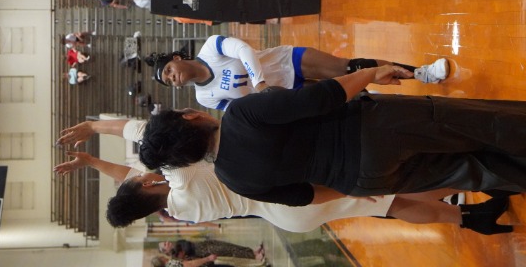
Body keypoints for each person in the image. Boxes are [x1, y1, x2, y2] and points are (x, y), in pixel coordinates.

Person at [139, 65, 526, 222]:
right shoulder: (240, 116)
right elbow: (322, 97)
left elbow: (308, 196)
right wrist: (371, 72)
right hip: (372, 130)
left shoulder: (232, 179)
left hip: (364, 179)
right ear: (190, 117)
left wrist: (354, 184)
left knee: (475, 173)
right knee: (482, 126)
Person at [55, 119, 513, 235]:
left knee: (388, 204)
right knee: (392, 191)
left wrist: (93, 162)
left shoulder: (180, 210)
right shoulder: (181, 178)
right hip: (291, 196)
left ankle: (471, 219)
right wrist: (95, 127)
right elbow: (140, 136)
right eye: (137, 181)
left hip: (287, 217)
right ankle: (480, 179)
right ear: (147, 185)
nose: (136, 175)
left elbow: (129, 176)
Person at [146, 34, 450, 110]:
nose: (172, 78)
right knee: (354, 98)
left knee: (347, 68)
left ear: (177, 58)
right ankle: (425, 106)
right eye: (168, 81)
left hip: (286, 62)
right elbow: (238, 109)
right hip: (289, 95)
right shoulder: (204, 98)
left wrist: (259, 83)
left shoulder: (211, 47)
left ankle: (421, 73)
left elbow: (243, 50)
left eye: (169, 70)